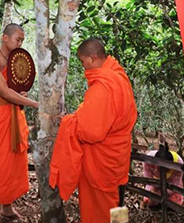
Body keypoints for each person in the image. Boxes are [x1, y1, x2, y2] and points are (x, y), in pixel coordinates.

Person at [49, 38, 137, 222]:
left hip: (102, 160)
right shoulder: (118, 75)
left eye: (82, 62)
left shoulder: (103, 87)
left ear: (91, 58)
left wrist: (70, 121)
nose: (83, 68)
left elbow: (91, 132)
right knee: (112, 204)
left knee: (100, 210)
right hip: (117, 154)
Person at [0, 23, 39, 222]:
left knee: (11, 163)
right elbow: (4, 92)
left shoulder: (14, 60)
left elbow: (14, 89)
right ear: (5, 38)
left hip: (13, 115)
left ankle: (7, 207)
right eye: (17, 39)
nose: (20, 43)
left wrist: (22, 94)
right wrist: (37, 104)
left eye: (22, 40)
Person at [142, 142, 184, 208]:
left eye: (167, 169)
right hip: (154, 184)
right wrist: (153, 191)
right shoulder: (149, 160)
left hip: (170, 187)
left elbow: (176, 184)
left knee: (174, 203)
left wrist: (163, 194)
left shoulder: (178, 163)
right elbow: (148, 178)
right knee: (149, 201)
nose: (163, 171)